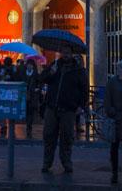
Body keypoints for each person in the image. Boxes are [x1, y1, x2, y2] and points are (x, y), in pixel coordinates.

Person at [41, 44, 88, 175]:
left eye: (68, 52)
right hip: (52, 107)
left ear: (72, 54)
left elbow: (84, 89)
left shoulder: (78, 70)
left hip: (69, 108)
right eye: (63, 52)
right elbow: (43, 79)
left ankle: (66, 162)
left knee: (67, 137)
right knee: (49, 135)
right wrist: (51, 72)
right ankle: (47, 162)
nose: (65, 55)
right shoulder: (54, 65)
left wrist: (81, 105)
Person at [104, 59, 122, 184]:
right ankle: (115, 173)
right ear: (120, 69)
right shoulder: (112, 82)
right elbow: (107, 100)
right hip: (115, 119)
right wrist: (112, 112)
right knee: (114, 147)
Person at [22, 58, 41, 138]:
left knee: (31, 111)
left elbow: (40, 83)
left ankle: (29, 127)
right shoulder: (23, 74)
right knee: (26, 111)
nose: (29, 66)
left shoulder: (36, 74)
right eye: (28, 65)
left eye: (30, 65)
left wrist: (37, 89)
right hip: (24, 94)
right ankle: (27, 124)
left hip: (33, 95)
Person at [0, 56, 16, 136]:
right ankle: (11, 125)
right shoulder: (13, 69)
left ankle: (3, 125)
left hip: (3, 91)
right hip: (12, 92)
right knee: (11, 109)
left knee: (3, 108)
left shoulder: (3, 68)